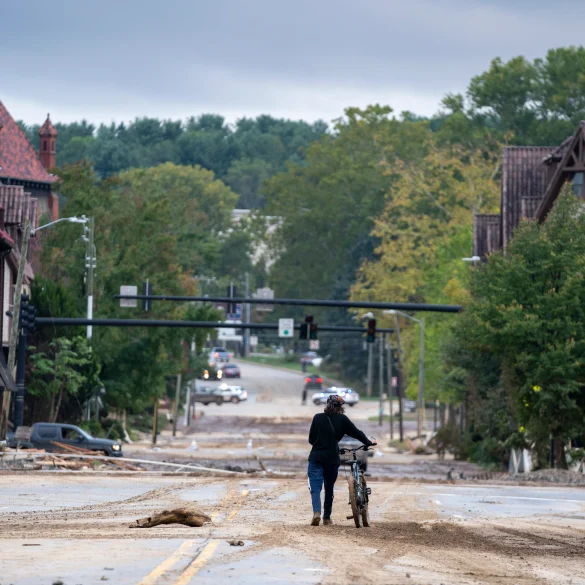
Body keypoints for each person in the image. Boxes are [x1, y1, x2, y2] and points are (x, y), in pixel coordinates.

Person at [307, 394, 375, 526]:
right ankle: (327, 518)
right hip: (332, 459)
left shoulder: (317, 418)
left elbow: (311, 439)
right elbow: (357, 433)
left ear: (327, 405)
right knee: (329, 488)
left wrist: (320, 442)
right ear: (340, 407)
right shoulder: (342, 420)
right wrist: (368, 442)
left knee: (315, 487)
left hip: (316, 457)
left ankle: (316, 512)